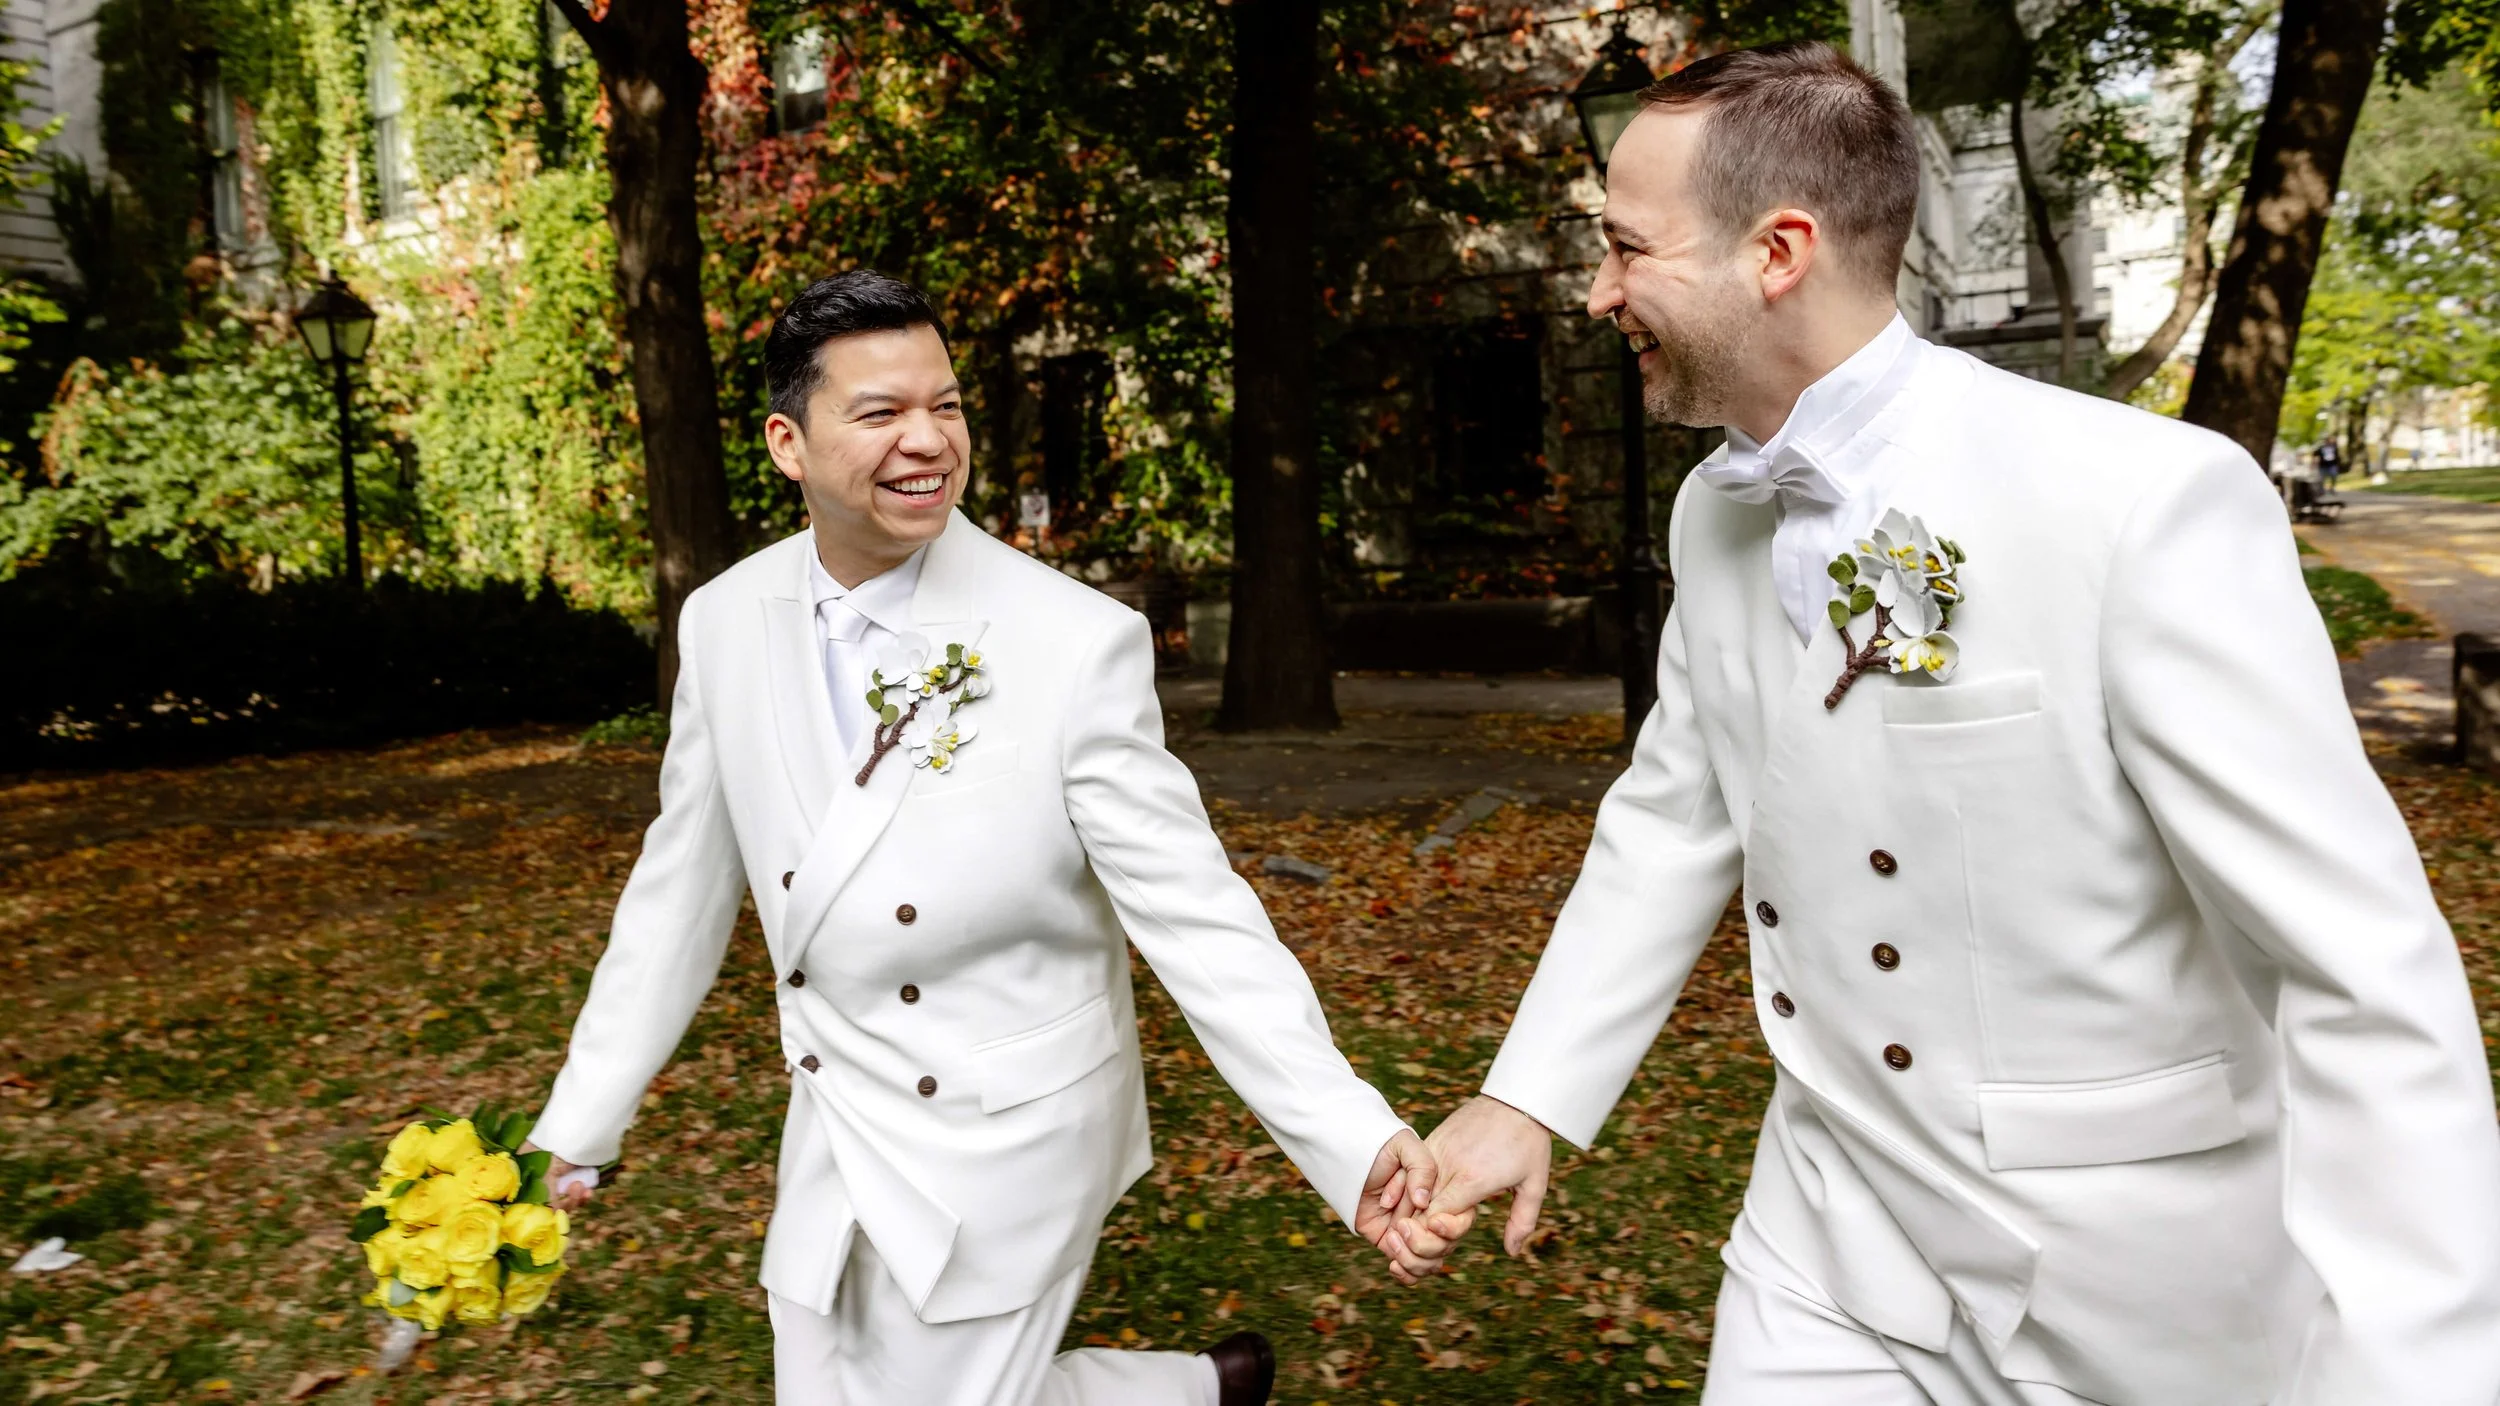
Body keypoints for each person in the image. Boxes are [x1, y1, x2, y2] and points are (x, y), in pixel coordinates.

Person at [1395, 40, 2500, 1405]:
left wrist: (2414, 1366)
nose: (1597, 289)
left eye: (1627, 247)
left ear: (1777, 252)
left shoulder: (2141, 503)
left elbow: (2360, 971)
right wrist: (1526, 1096)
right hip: (1827, 1236)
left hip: (2134, 1289)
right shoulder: (1711, 513)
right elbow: (1675, 816)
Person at [522, 270, 1438, 1406]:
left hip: (1008, 1133)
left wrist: (1348, 1135)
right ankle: (1199, 1390)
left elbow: (1200, 921)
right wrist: (583, 1117)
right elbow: (678, 894)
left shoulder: (1071, 641)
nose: (929, 441)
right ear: (787, 444)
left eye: (945, 405)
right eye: (880, 411)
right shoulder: (721, 621)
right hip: (838, 1120)